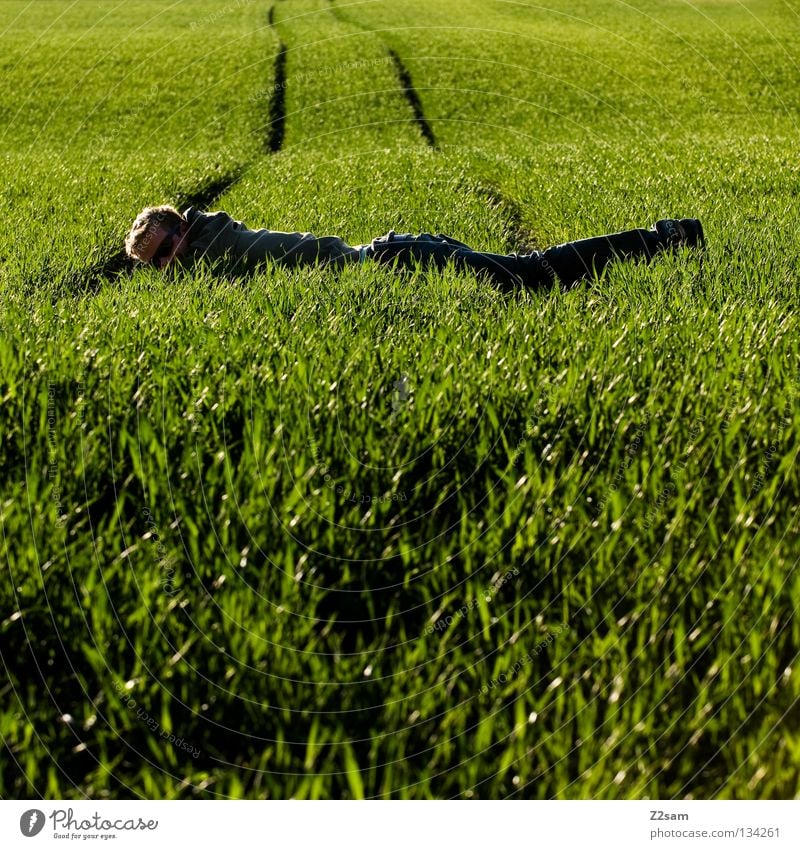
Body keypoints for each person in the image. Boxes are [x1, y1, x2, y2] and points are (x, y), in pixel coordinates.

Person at [124, 204, 705, 290]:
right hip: (398, 261)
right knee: (527, 282)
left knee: (530, 277)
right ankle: (665, 240)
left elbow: (208, 253)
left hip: (397, 258)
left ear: (183, 229)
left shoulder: (219, 245)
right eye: (156, 264)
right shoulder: (209, 256)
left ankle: (666, 238)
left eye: (167, 245)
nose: (168, 261)